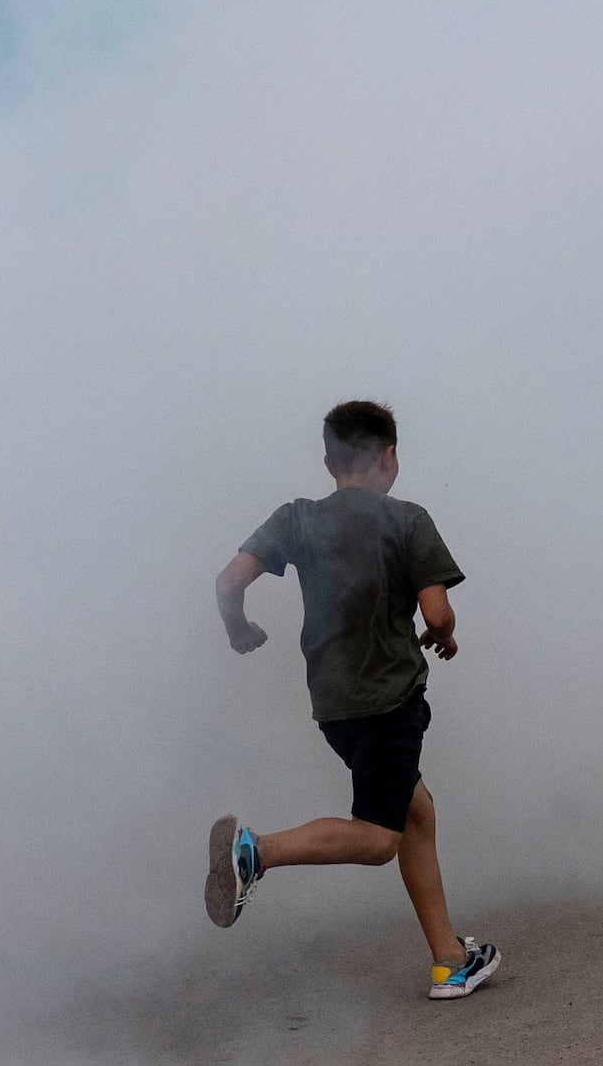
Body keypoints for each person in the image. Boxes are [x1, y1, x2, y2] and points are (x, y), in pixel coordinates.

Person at [204, 398, 497, 1000]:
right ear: (388, 457)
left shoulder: (297, 518)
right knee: (377, 838)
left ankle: (449, 960)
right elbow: (437, 611)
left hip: (334, 706)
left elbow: (229, 580)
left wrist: (238, 629)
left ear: (328, 460)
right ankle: (255, 852)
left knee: (415, 811)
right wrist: (443, 637)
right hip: (390, 703)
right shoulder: (407, 519)